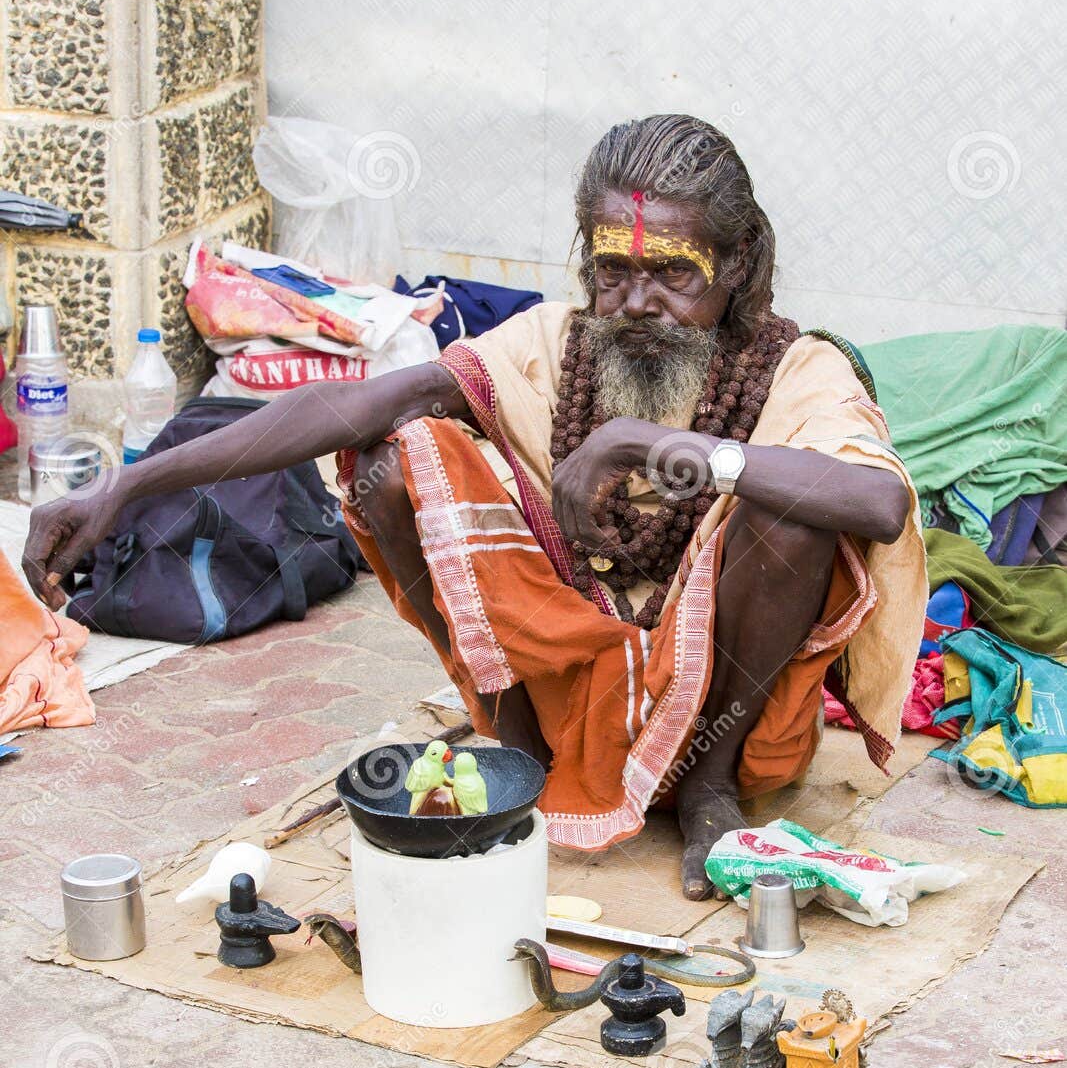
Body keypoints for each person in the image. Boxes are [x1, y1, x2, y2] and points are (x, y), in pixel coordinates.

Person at [24, 115, 926, 899]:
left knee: (797, 504)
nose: (638, 303)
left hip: (733, 720)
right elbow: (352, 405)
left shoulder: (797, 369)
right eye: (612, 271)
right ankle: (519, 755)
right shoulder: (550, 348)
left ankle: (705, 791)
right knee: (393, 459)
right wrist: (126, 485)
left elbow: (879, 502)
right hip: (568, 684)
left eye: (674, 276)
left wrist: (653, 448)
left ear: (736, 265)